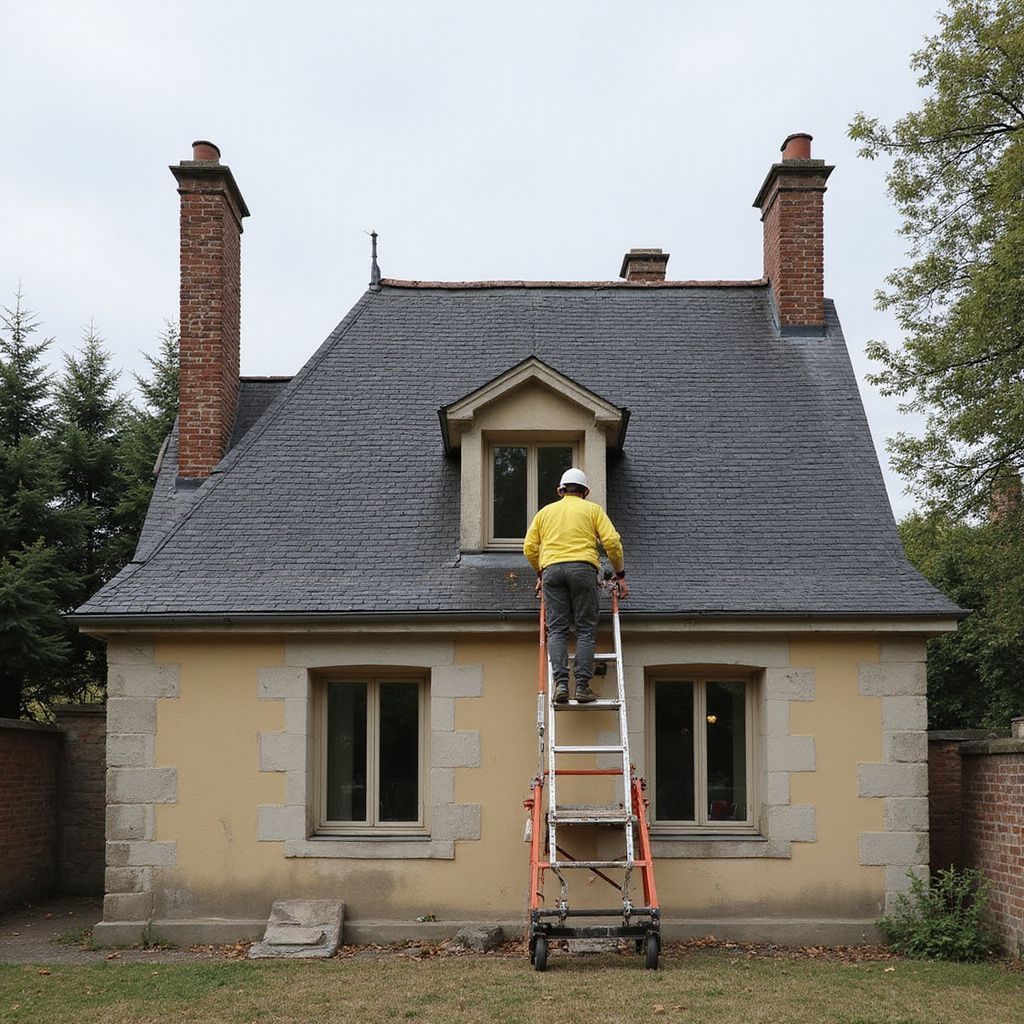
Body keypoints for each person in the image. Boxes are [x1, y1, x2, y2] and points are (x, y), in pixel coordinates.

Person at [523, 468, 630, 703]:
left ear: (560, 490)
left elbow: (529, 547)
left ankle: (561, 685)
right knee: (585, 629)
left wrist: (541, 573)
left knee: (557, 630)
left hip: (552, 570)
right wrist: (620, 575)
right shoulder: (593, 510)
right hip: (583, 570)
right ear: (586, 492)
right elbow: (612, 542)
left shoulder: (545, 513)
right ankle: (582, 687)